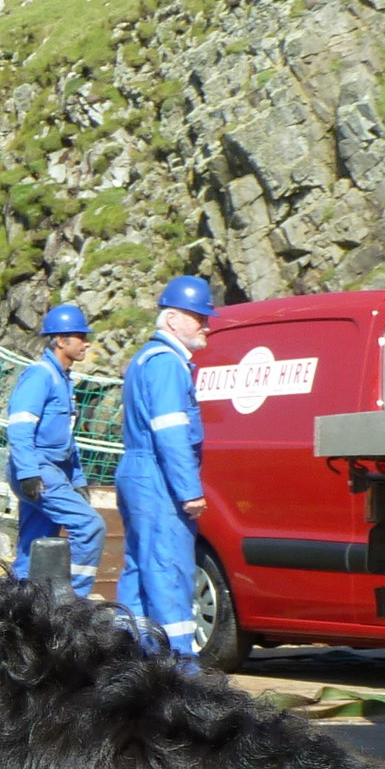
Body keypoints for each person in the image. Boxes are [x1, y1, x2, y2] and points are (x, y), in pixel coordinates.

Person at [115, 275, 215, 665]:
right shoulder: (168, 365)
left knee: (140, 574)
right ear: (172, 319)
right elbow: (171, 436)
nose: (207, 325)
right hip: (157, 478)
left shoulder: (145, 360)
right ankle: (180, 673)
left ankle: (127, 665)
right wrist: (189, 490)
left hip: (139, 470)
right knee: (169, 573)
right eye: (199, 317)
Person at [7, 304, 105, 596]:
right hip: (37, 468)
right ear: (60, 341)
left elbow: (66, 439)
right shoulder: (40, 376)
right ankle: (73, 599)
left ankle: (16, 604)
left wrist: (77, 480)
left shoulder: (63, 380)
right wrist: (28, 473)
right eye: (79, 336)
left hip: (49, 469)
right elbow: (20, 426)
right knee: (90, 526)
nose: (86, 342)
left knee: (35, 544)